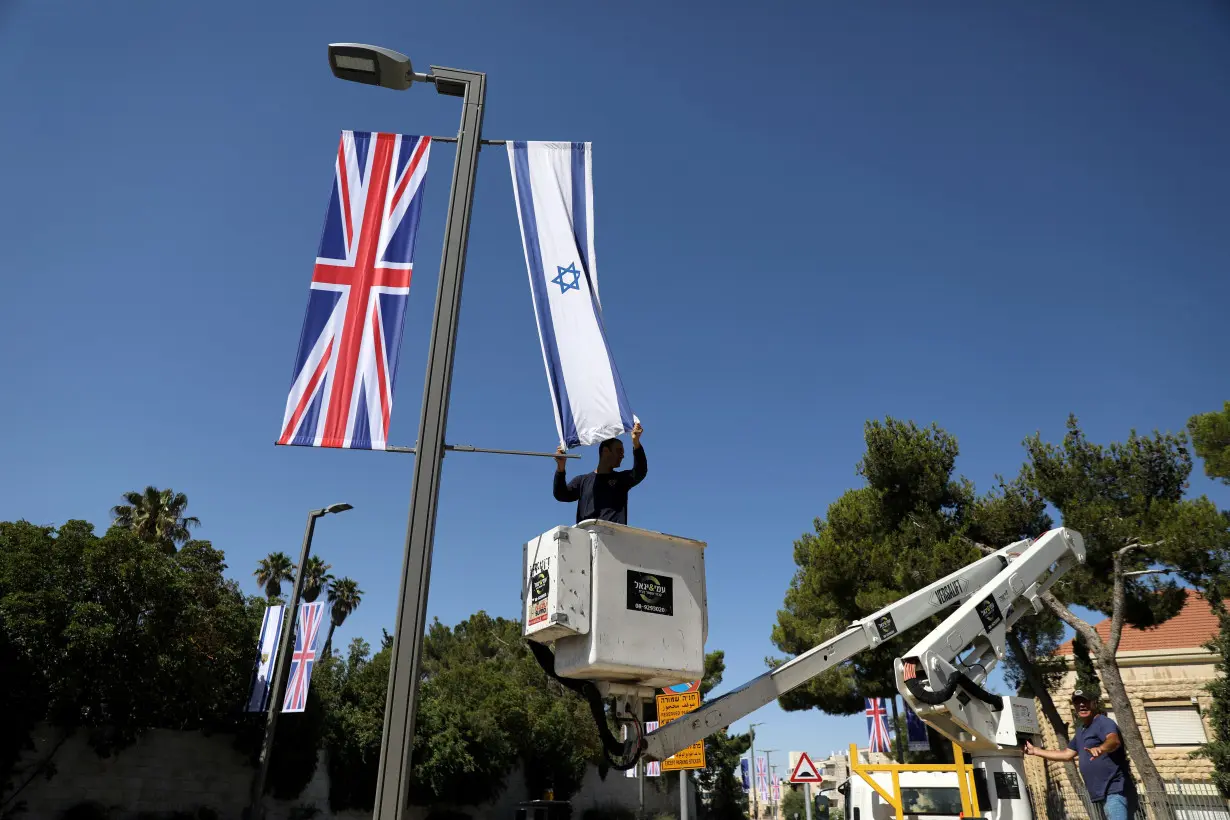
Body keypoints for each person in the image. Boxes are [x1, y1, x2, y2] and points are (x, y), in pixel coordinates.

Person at [1024, 690, 1138, 820]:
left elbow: (1113, 740)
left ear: (1094, 703)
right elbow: (1067, 754)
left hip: (1115, 790)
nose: (1082, 705)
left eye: (1085, 702)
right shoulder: (1081, 731)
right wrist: (1035, 751)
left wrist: (1101, 748)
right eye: (1078, 702)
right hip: (1101, 794)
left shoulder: (1103, 722)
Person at [553, 422, 646, 525]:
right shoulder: (582, 481)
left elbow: (640, 471)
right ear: (606, 451)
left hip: (613, 537)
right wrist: (560, 468)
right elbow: (560, 494)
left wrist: (636, 442)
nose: (622, 456)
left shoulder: (621, 480)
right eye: (619, 451)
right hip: (587, 537)